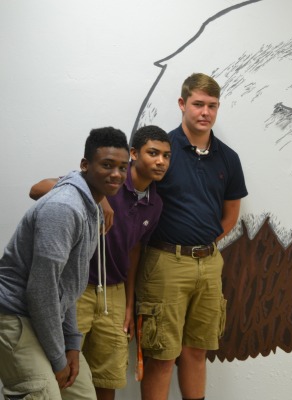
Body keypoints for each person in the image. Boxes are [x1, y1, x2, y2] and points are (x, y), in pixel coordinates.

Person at [29, 125, 172, 400]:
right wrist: (97, 198)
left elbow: (134, 251)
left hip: (115, 295)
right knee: (63, 371)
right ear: (133, 154)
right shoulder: (106, 181)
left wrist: (129, 304)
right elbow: (37, 190)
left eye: (166, 155)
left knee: (109, 375)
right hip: (79, 289)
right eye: (153, 153)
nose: (160, 161)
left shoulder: (155, 204)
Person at [136, 73, 247, 400]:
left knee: (197, 351)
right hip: (166, 262)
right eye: (198, 104)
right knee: (162, 355)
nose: (205, 112)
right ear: (183, 104)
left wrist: (209, 244)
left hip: (209, 264)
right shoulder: (161, 152)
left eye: (212, 106)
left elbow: (231, 214)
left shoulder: (229, 158)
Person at [0, 127, 130, 399]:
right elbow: (42, 290)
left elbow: (68, 285)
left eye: (122, 167)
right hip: (15, 316)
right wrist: (59, 359)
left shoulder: (90, 208)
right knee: (43, 394)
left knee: (82, 394)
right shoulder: (64, 208)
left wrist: (72, 344)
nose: (116, 174)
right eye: (107, 165)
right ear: (85, 165)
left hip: (45, 316)